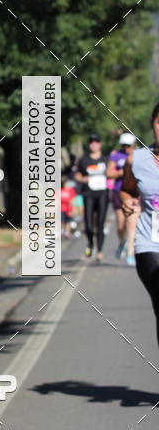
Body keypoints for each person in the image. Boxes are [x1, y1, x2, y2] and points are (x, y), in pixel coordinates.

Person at [120, 103, 159, 347]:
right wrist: (126, 202)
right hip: (150, 243)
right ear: (152, 125)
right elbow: (126, 190)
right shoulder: (137, 159)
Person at [75, 134, 109, 261]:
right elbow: (77, 174)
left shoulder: (106, 159)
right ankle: (90, 243)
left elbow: (112, 172)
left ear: (100, 144)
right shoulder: (84, 159)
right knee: (88, 225)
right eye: (91, 142)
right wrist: (82, 179)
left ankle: (99, 250)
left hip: (102, 194)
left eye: (96, 141)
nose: (93, 144)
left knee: (100, 223)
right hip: (88, 193)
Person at [107, 132, 138, 265]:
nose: (126, 148)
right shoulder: (115, 156)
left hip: (134, 194)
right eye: (124, 145)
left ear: (134, 144)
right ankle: (121, 243)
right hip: (118, 192)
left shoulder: (139, 155)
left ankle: (130, 253)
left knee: (131, 223)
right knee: (121, 225)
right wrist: (124, 170)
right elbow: (109, 173)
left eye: (129, 145)